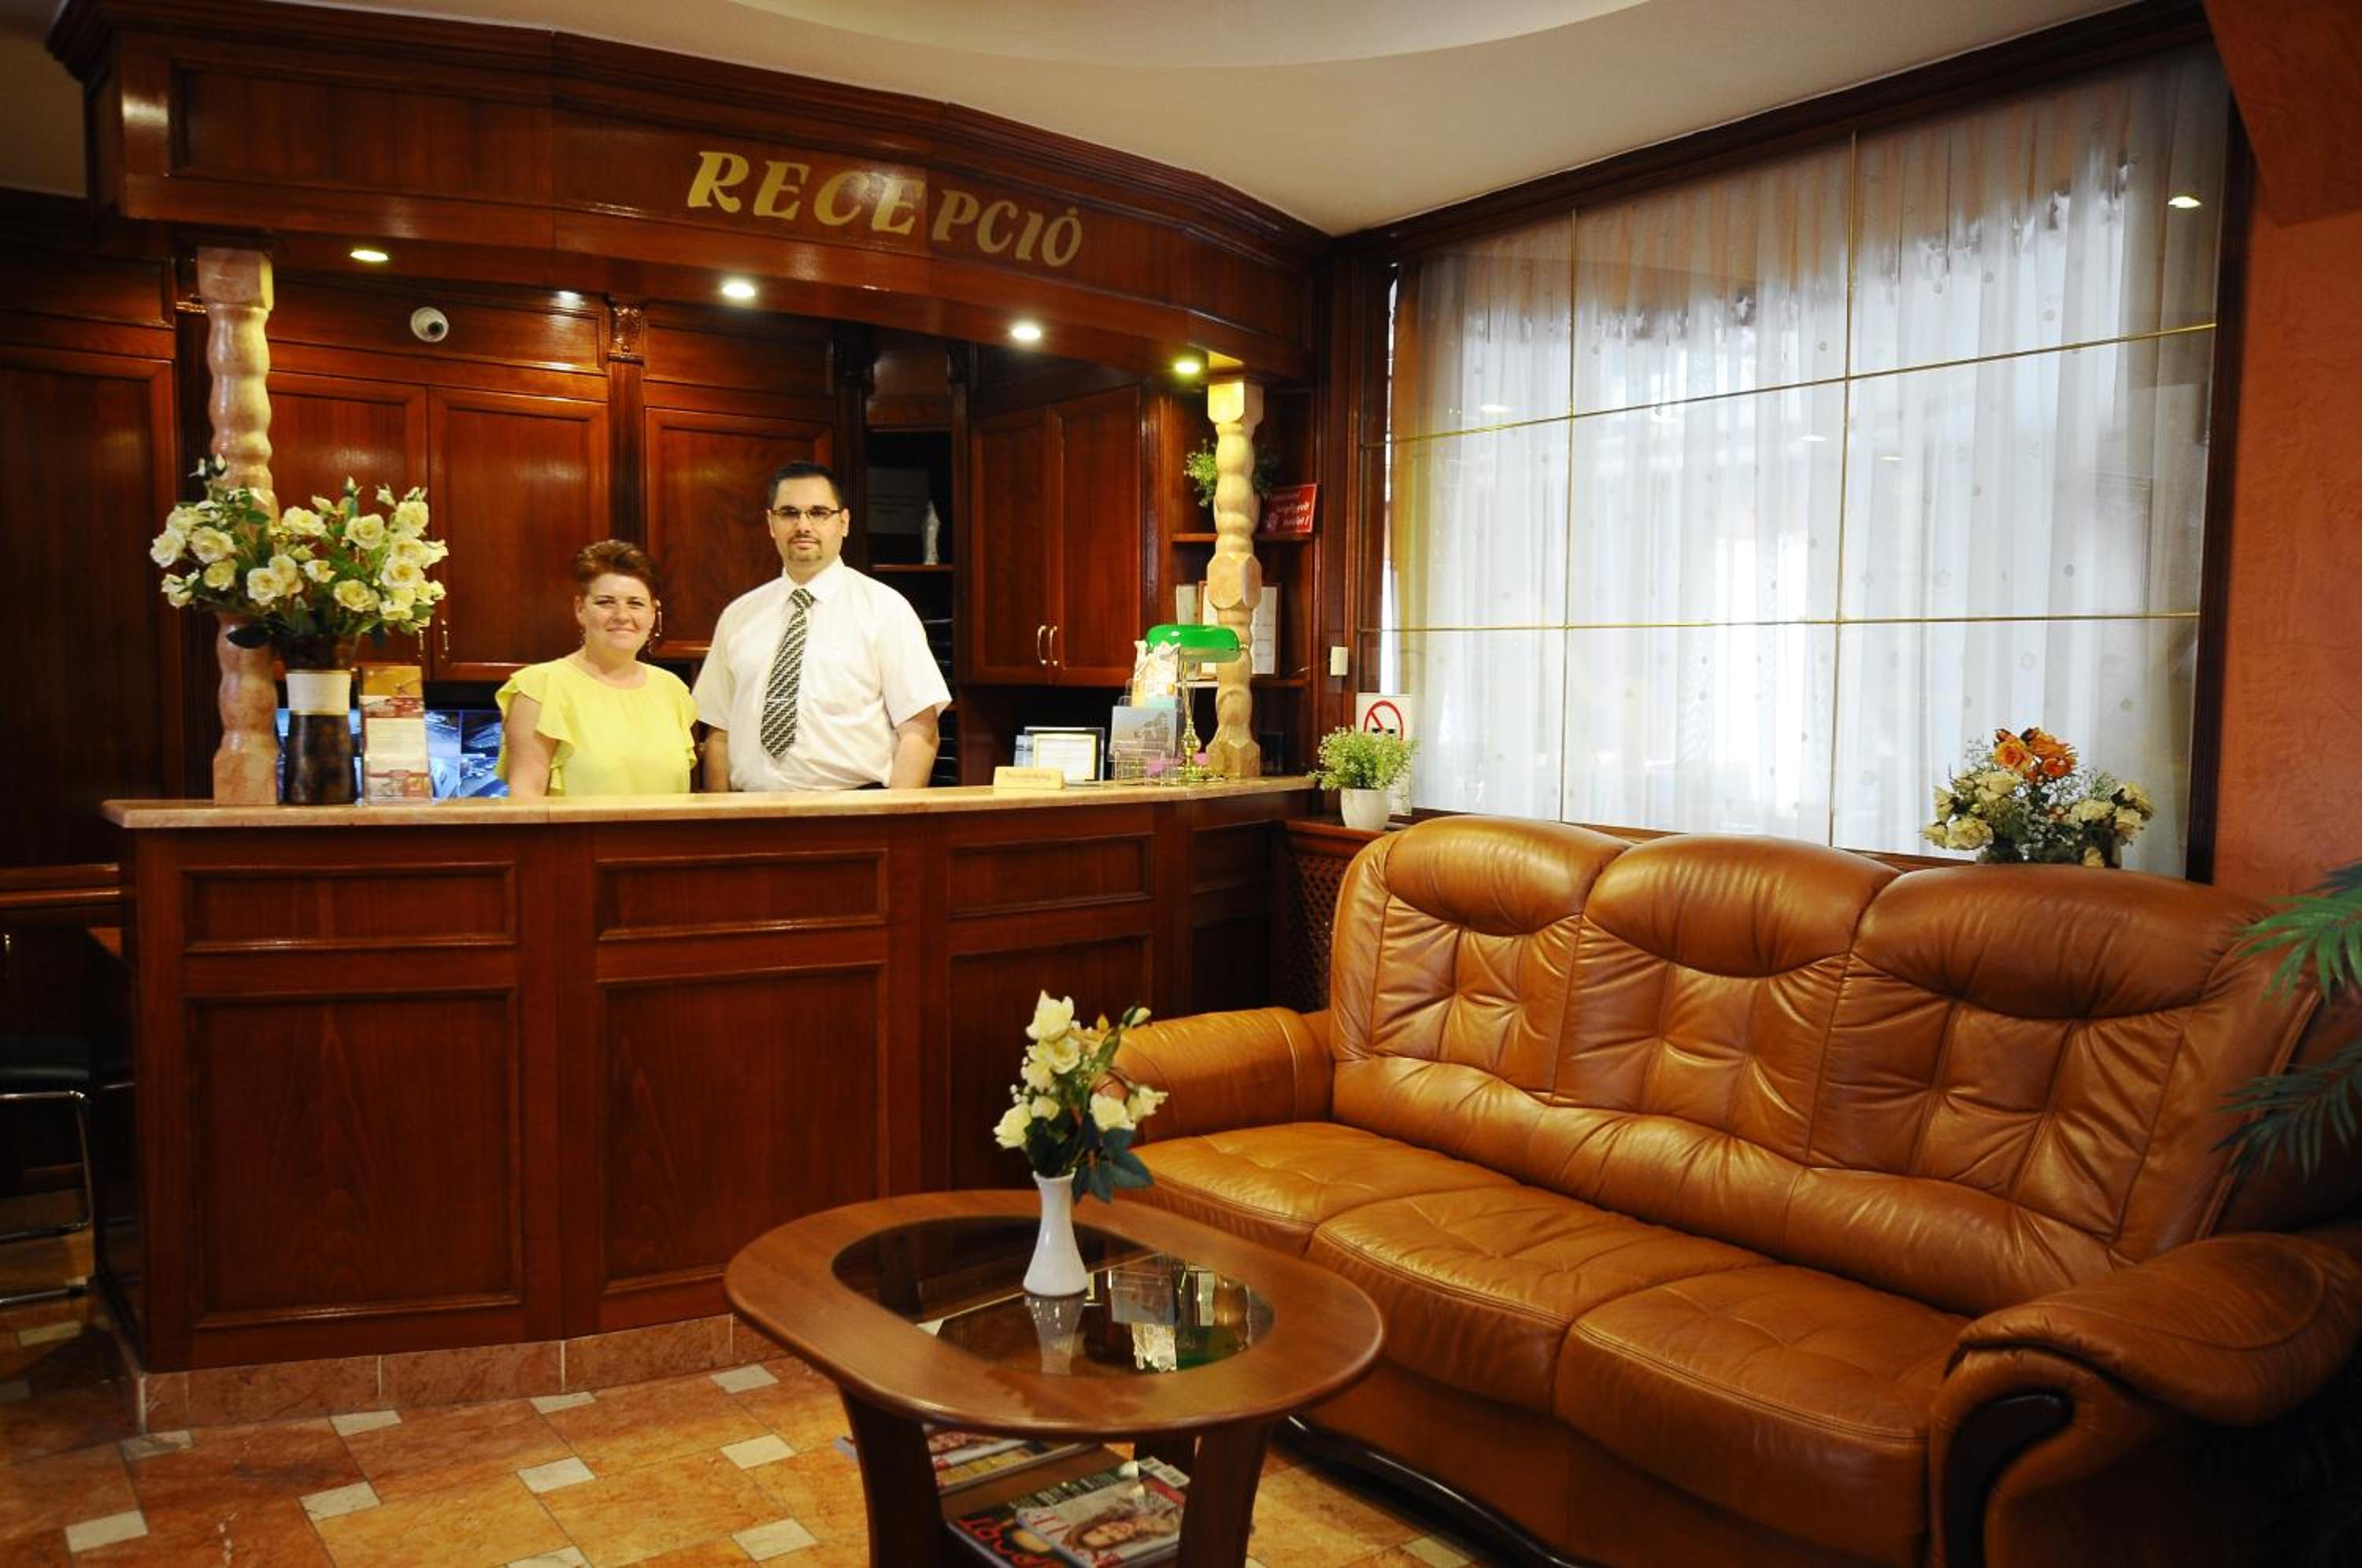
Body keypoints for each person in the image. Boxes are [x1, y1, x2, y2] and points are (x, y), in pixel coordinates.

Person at [695, 460, 950, 790]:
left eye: (818, 513)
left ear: (843, 522)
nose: (803, 525)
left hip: (855, 809)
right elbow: (719, 731)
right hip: (750, 810)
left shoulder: (885, 610)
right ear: (771, 523)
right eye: (789, 513)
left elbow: (920, 729)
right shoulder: (738, 616)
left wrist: (894, 814)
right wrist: (720, 815)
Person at [497, 539, 698, 797]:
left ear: (652, 614)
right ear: (580, 609)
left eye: (635, 604)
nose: (622, 615)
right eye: (606, 602)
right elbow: (525, 801)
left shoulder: (672, 690)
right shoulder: (539, 688)